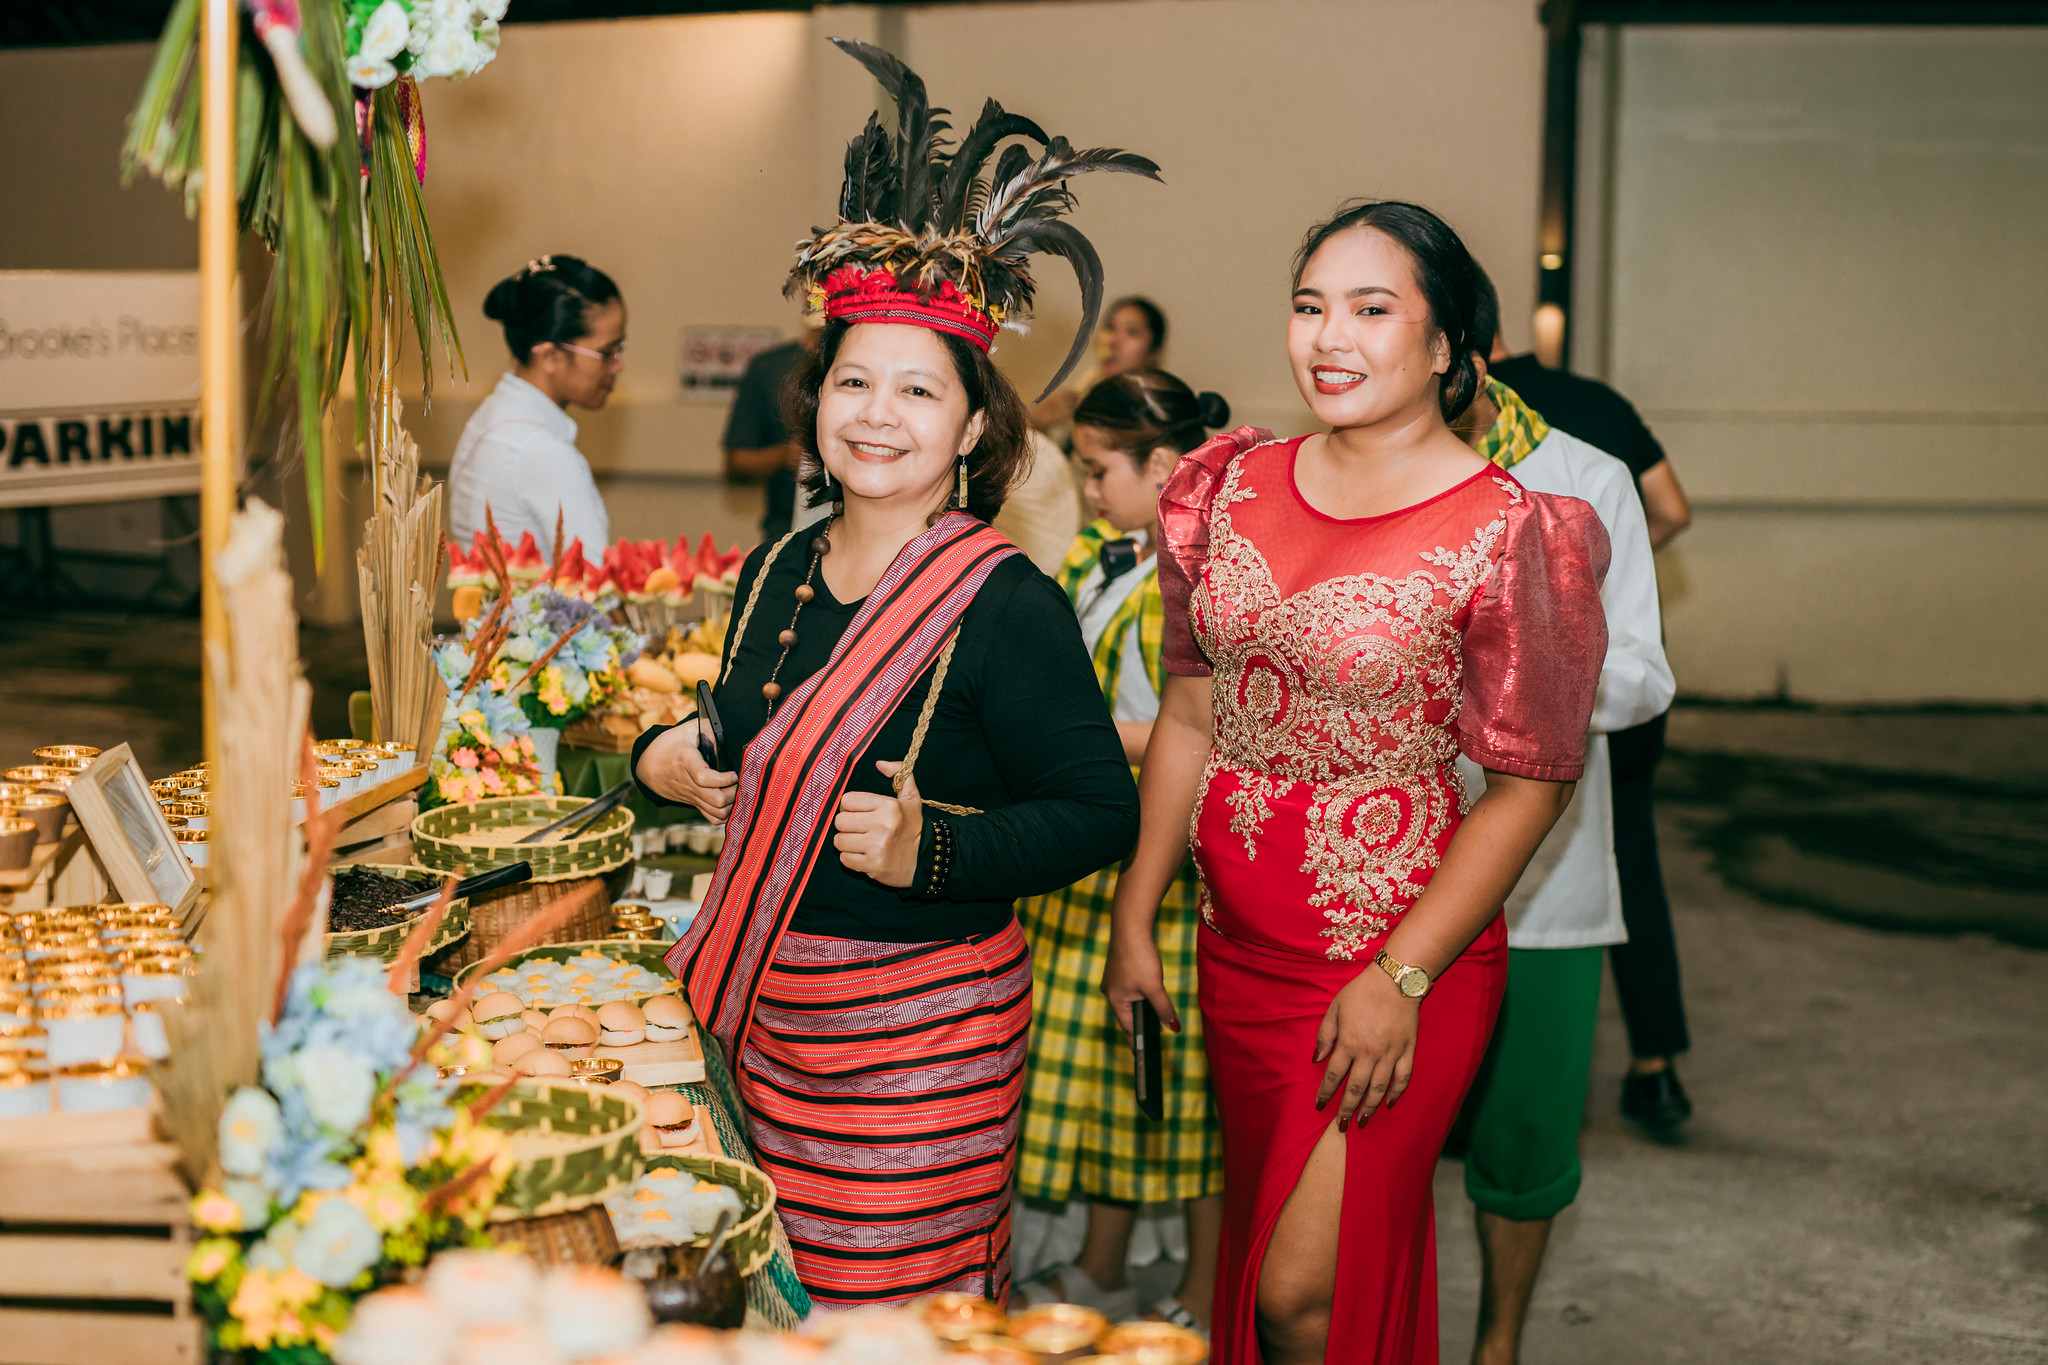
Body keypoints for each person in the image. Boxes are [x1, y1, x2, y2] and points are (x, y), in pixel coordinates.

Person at [633, 37, 1157, 1307]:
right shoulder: (777, 568)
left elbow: (1101, 811)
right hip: (762, 1020)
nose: (876, 413)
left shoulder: (1005, 602)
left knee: (891, 1321)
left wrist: (934, 849)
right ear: (814, 400)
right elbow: (744, 731)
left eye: (917, 392)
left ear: (972, 425)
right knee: (770, 1310)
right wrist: (662, 760)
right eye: (853, 381)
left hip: (918, 1048)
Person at [1103, 200, 1611, 1365]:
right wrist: (1138, 911)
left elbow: (1527, 789)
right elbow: (1191, 710)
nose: (1328, 336)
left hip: (1396, 956)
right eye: (1308, 305)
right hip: (1235, 946)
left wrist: (1400, 976)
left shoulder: (1510, 531)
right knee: (1275, 1277)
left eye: (1371, 309)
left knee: (1296, 1292)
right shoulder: (1226, 487)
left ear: (1443, 346)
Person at [1448, 268, 1675, 1365]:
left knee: (1524, 1136)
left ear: (1467, 352)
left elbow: (1642, 676)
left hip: (1542, 883)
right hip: (1370, 871)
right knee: (1365, 1130)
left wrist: (1512, 670)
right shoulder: (1337, 478)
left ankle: (1497, 1345)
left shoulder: (1581, 479)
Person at [1015, 371, 1233, 1330]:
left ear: (1163, 467)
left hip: (1166, 864)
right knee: (1112, 1082)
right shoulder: (1109, 555)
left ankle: (1205, 1287)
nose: (1087, 486)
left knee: (1181, 1094)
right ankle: (1102, 1264)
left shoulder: (1199, 580)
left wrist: (1072, 734)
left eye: (1101, 469)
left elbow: (1208, 730)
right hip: (1095, 844)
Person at [1487, 335, 1695, 1132]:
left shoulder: (1468, 429)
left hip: (1569, 696)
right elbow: (1672, 508)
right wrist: (1603, 568)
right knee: (1628, 859)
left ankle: (1485, 1093)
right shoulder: (1599, 403)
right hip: (1611, 690)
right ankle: (1655, 1064)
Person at [449, 255, 623, 556]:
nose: (617, 366)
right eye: (607, 352)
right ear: (550, 356)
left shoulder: (490, 418)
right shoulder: (540, 450)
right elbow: (593, 579)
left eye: (621, 348)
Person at [1032, 295, 1170, 444]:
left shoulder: (1157, 418)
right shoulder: (1084, 398)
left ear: (1155, 352)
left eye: (1132, 331)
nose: (1113, 340)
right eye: (1110, 327)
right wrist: (1040, 423)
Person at [723, 335, 810, 541]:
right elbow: (737, 460)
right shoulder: (770, 366)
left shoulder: (870, 359)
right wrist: (785, 456)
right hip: (785, 531)